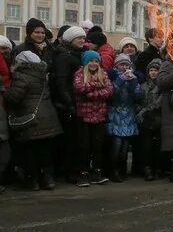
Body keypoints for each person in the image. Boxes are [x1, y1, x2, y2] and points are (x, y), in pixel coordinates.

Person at [4, 51, 63, 190]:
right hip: (48, 117)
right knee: (45, 151)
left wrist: (5, 93)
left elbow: (14, 98)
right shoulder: (43, 75)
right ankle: (48, 180)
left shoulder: (21, 76)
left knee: (30, 151)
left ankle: (33, 181)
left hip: (30, 119)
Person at [51, 25, 87, 184]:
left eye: (83, 37)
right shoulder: (64, 56)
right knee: (71, 141)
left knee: (77, 140)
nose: (82, 40)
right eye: (78, 37)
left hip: (76, 102)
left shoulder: (75, 54)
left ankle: (74, 170)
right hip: (67, 105)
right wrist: (69, 103)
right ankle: (70, 172)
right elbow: (61, 82)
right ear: (70, 39)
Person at [73, 50, 114, 186]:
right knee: (84, 145)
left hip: (99, 116)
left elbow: (109, 91)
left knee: (98, 145)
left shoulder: (103, 74)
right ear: (85, 62)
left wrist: (90, 94)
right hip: (84, 116)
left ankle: (97, 171)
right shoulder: (79, 74)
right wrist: (96, 84)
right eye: (91, 61)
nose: (93, 63)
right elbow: (79, 88)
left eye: (96, 61)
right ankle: (82, 173)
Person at [107, 54, 142, 182]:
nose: (124, 67)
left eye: (126, 65)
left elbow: (138, 95)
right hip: (115, 114)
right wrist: (120, 80)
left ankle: (122, 170)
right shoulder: (112, 76)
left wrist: (133, 82)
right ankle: (114, 170)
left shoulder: (133, 78)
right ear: (116, 65)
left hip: (129, 114)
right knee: (116, 145)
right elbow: (111, 94)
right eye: (122, 64)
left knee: (125, 147)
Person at [137, 59, 163, 181]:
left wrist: (146, 110)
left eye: (156, 70)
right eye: (151, 70)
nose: (153, 72)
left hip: (158, 119)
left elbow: (160, 102)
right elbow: (137, 100)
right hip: (145, 121)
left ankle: (157, 168)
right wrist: (141, 111)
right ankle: (147, 169)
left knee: (157, 146)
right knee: (146, 146)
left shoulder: (162, 86)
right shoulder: (142, 86)